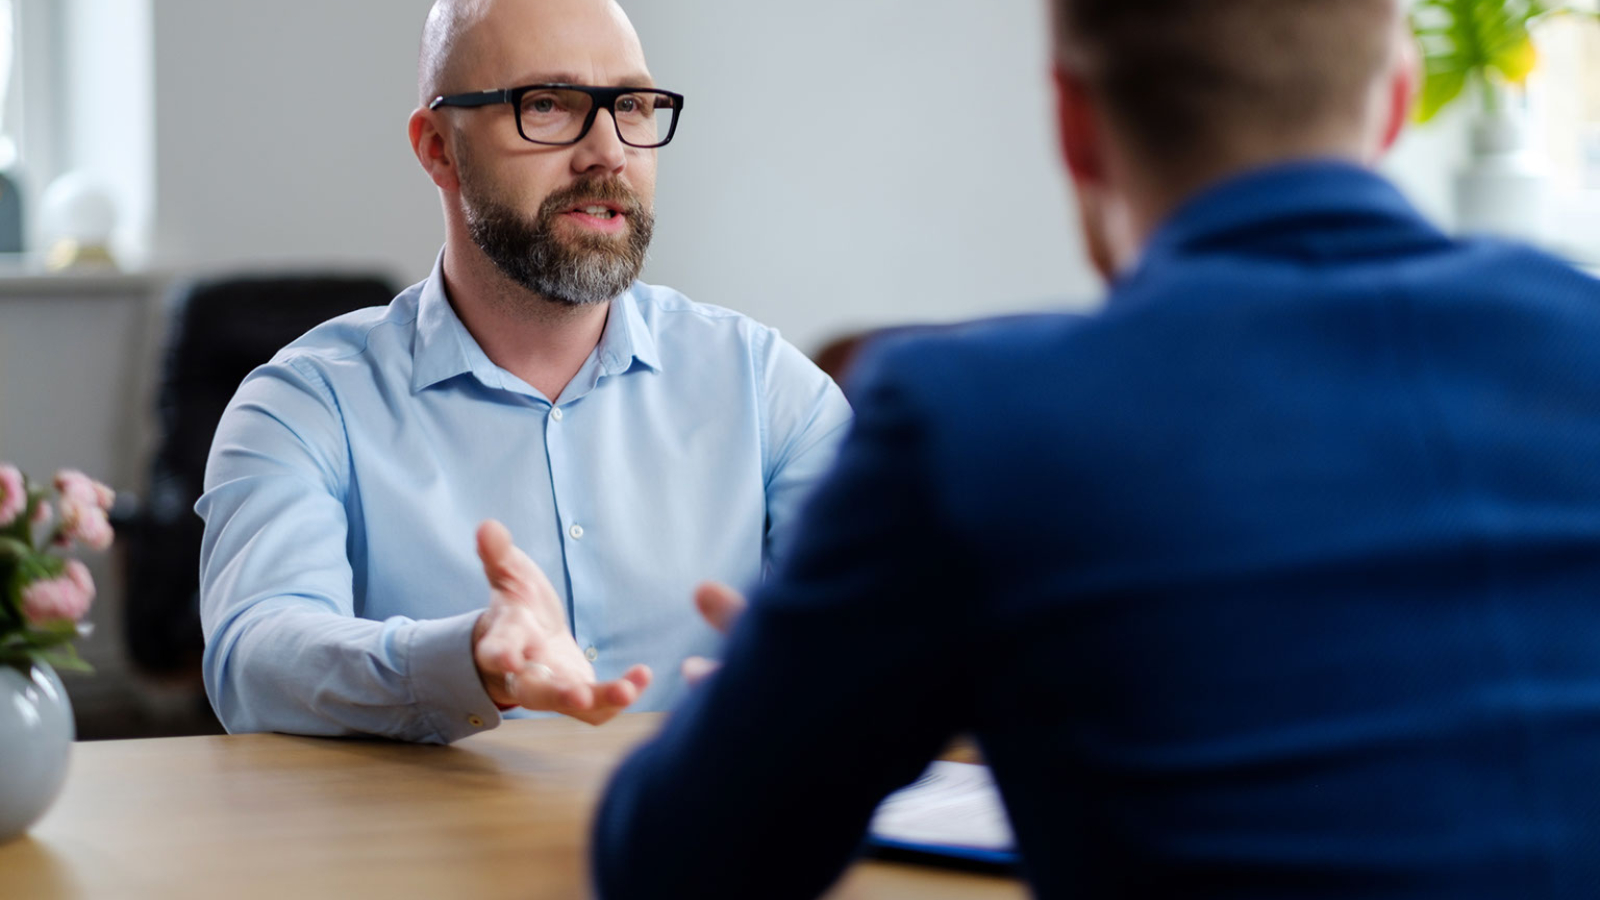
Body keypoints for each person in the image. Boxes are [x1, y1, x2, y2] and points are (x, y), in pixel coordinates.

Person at [592, 0, 1600, 897]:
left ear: (1072, 126)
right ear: (1394, 101)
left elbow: (673, 864)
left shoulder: (970, 422)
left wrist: (769, 701)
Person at [196, 0, 850, 744]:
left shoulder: (767, 389)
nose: (608, 151)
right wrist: (461, 660)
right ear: (439, 147)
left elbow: (890, 615)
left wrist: (844, 661)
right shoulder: (306, 402)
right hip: (426, 854)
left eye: (631, 106)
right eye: (547, 105)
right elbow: (254, 658)